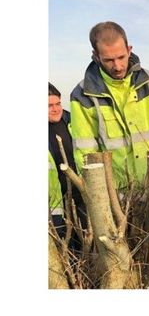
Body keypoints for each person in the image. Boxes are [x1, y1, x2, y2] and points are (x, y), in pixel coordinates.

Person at [70, 21, 149, 191]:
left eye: (121, 57)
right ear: (95, 56)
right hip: (116, 197)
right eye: (108, 60)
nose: (117, 66)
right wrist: (101, 198)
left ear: (129, 50)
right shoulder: (82, 96)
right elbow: (85, 153)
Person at [49, 82, 87, 240]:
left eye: (58, 103)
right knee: (64, 243)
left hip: (82, 193)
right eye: (49, 106)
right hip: (55, 200)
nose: (56, 109)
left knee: (86, 237)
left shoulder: (73, 120)